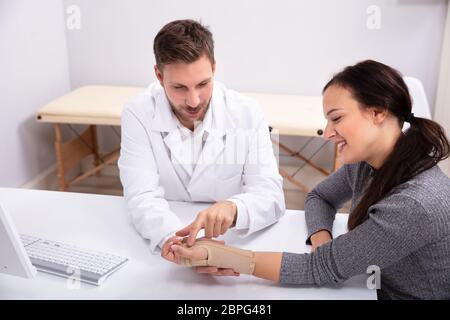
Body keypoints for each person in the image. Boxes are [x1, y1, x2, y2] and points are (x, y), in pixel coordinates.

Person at [164, 60, 450, 300]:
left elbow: (320, 269)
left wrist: (224, 257)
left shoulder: (414, 204)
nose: (327, 133)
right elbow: (319, 197)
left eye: (336, 118)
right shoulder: (370, 163)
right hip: (369, 286)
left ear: (377, 112)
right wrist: (323, 240)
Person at [118, 19, 285, 255]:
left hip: (233, 241)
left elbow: (271, 195)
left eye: (203, 84)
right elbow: (141, 196)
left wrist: (234, 208)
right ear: (158, 74)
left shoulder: (246, 113)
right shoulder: (138, 113)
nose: (194, 101)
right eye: (179, 87)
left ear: (214, 68)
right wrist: (176, 241)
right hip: (167, 241)